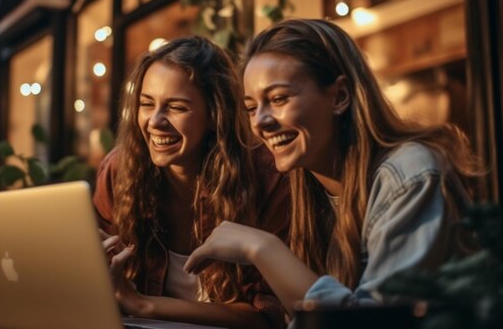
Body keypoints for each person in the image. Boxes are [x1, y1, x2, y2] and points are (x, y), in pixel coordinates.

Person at [184, 19, 482, 317]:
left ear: (339, 96)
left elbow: (376, 325)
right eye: (251, 108)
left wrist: (262, 248)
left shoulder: (410, 174)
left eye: (278, 99)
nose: (260, 122)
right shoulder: (305, 186)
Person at [94, 36, 291, 329]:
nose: (155, 121)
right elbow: (101, 284)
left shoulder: (267, 176)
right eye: (147, 104)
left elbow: (269, 313)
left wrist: (145, 304)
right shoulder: (119, 169)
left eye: (176, 107)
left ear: (214, 114)